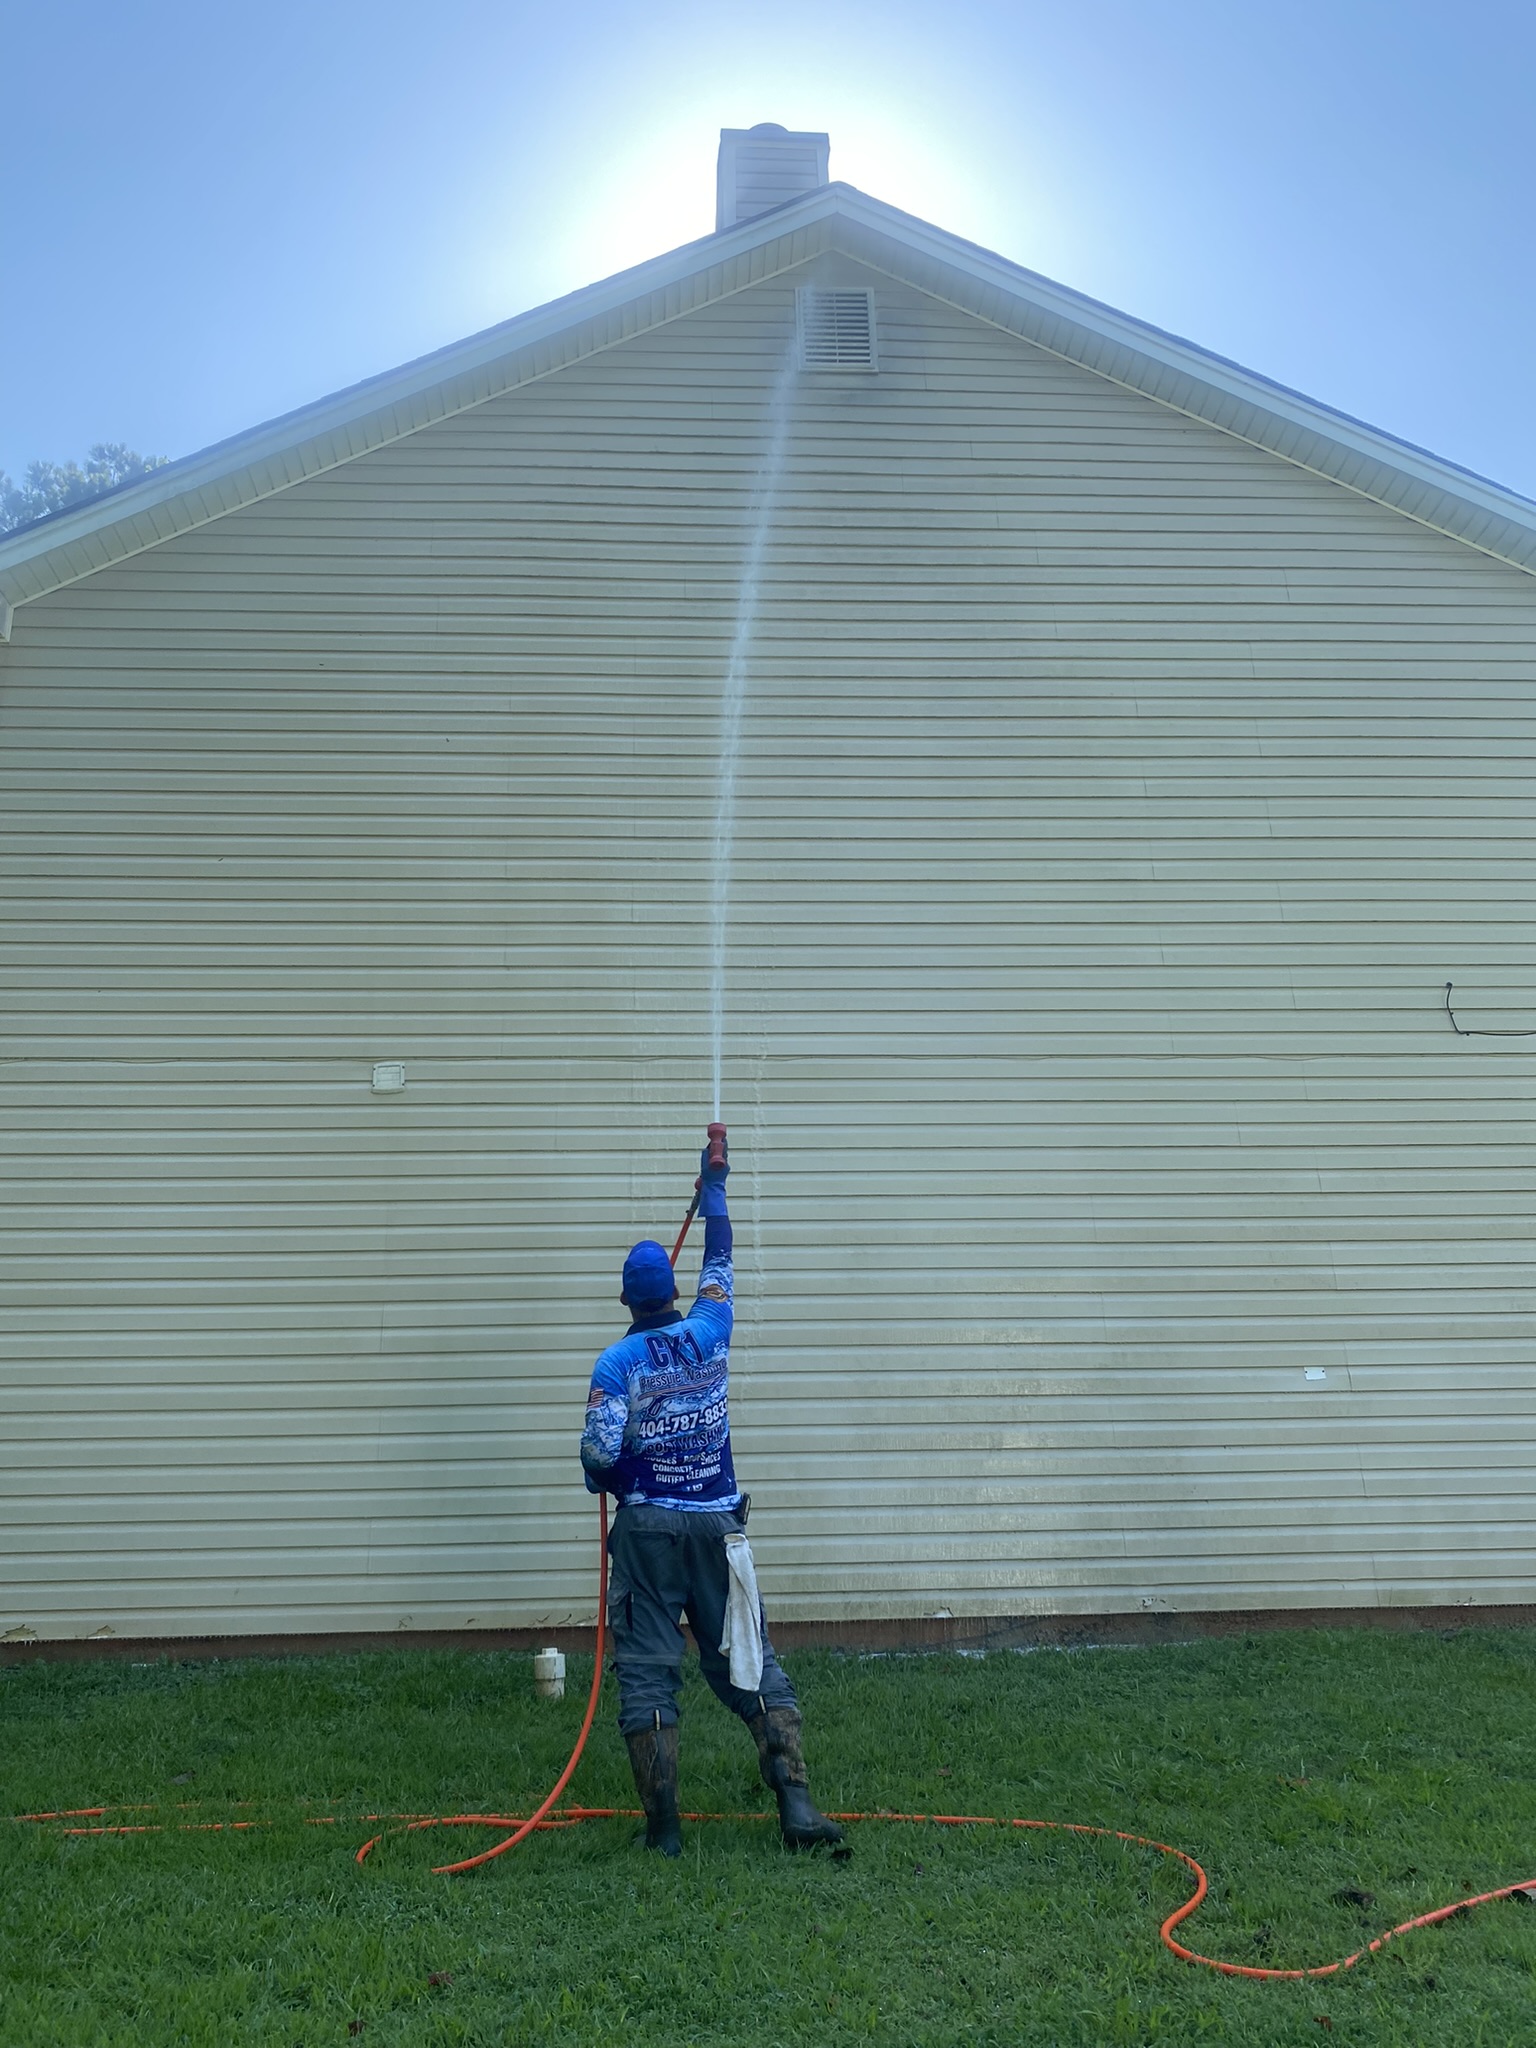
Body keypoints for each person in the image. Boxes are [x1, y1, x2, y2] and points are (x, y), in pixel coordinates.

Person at [579, 1136, 844, 1858]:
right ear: (671, 1290)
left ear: (627, 1299)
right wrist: (714, 1189)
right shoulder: (712, 1330)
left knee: (647, 1670)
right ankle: (797, 1808)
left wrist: (613, 1474)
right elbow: (721, 1260)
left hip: (647, 1537)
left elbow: (600, 1453)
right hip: (720, 1530)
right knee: (752, 1663)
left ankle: (663, 1832)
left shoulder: (617, 1361)